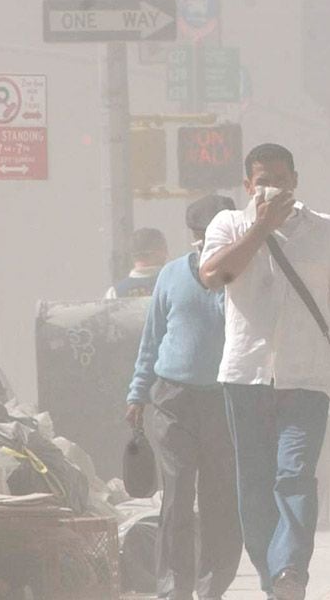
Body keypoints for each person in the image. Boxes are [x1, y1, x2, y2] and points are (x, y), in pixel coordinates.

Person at [199, 143, 330, 600]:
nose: (272, 187)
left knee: (295, 474)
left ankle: (290, 570)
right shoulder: (229, 225)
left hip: (308, 378)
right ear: (247, 185)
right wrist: (261, 227)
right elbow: (214, 275)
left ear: (295, 179)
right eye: (262, 180)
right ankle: (272, 575)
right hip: (245, 376)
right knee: (254, 486)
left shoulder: (326, 232)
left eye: (280, 178)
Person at [127, 196, 242, 600]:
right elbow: (152, 338)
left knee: (219, 499)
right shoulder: (172, 276)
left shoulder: (246, 276)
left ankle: (212, 587)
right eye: (200, 233)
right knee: (177, 494)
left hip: (225, 399)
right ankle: (174, 586)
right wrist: (138, 393)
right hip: (173, 398)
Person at [110, 228, 172, 299]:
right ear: (160, 252)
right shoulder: (175, 285)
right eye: (165, 248)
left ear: (132, 255)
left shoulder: (114, 293)